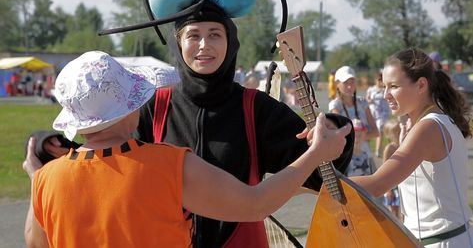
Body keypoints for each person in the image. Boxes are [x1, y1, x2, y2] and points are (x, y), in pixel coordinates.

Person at [34, 0, 354, 248]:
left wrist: (333, 130)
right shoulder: (153, 107)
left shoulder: (256, 108)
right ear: (177, 43)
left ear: (231, 42)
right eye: (193, 36)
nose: (204, 45)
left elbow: (318, 170)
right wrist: (48, 146)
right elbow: (97, 156)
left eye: (215, 34)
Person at [23, 51, 350, 248]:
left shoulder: (45, 179)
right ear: (132, 106)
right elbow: (255, 205)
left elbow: (37, 242)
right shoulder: (167, 165)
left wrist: (40, 181)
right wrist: (316, 154)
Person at [350, 47, 473, 247]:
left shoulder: (429, 128)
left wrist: (313, 177)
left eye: (394, 86)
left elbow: (378, 184)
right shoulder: (432, 123)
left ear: (421, 85)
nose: (385, 95)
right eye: (384, 86)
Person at [329, 65, 379, 173]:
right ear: (337, 84)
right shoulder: (335, 106)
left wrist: (360, 136)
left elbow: (376, 132)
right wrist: (360, 136)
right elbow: (339, 135)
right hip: (347, 158)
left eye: (352, 82)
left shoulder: (362, 102)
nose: (349, 86)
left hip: (366, 156)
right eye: (345, 83)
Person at [366, 71, 391, 157]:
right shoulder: (371, 89)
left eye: (381, 80)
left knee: (380, 130)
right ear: (375, 80)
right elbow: (367, 99)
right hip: (373, 112)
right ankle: (367, 149)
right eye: (378, 80)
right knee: (369, 130)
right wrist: (370, 101)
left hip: (382, 113)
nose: (380, 81)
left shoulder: (385, 90)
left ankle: (378, 150)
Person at [381, 118, 401, 219]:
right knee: (393, 212)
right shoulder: (390, 148)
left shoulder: (404, 145)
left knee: (403, 213)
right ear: (389, 135)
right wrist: (387, 189)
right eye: (395, 132)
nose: (398, 134)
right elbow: (384, 170)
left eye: (399, 131)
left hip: (402, 183)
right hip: (392, 185)